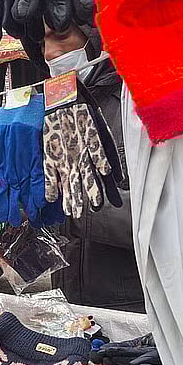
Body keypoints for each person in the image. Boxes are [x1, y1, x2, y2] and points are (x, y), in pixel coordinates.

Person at [45, 24, 144, 311]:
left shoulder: (137, 106)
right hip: (69, 299)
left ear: (95, 35)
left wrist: (74, 208)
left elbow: (164, 217)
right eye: (42, 42)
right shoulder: (55, 108)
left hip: (130, 303)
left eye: (62, 36)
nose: (50, 53)